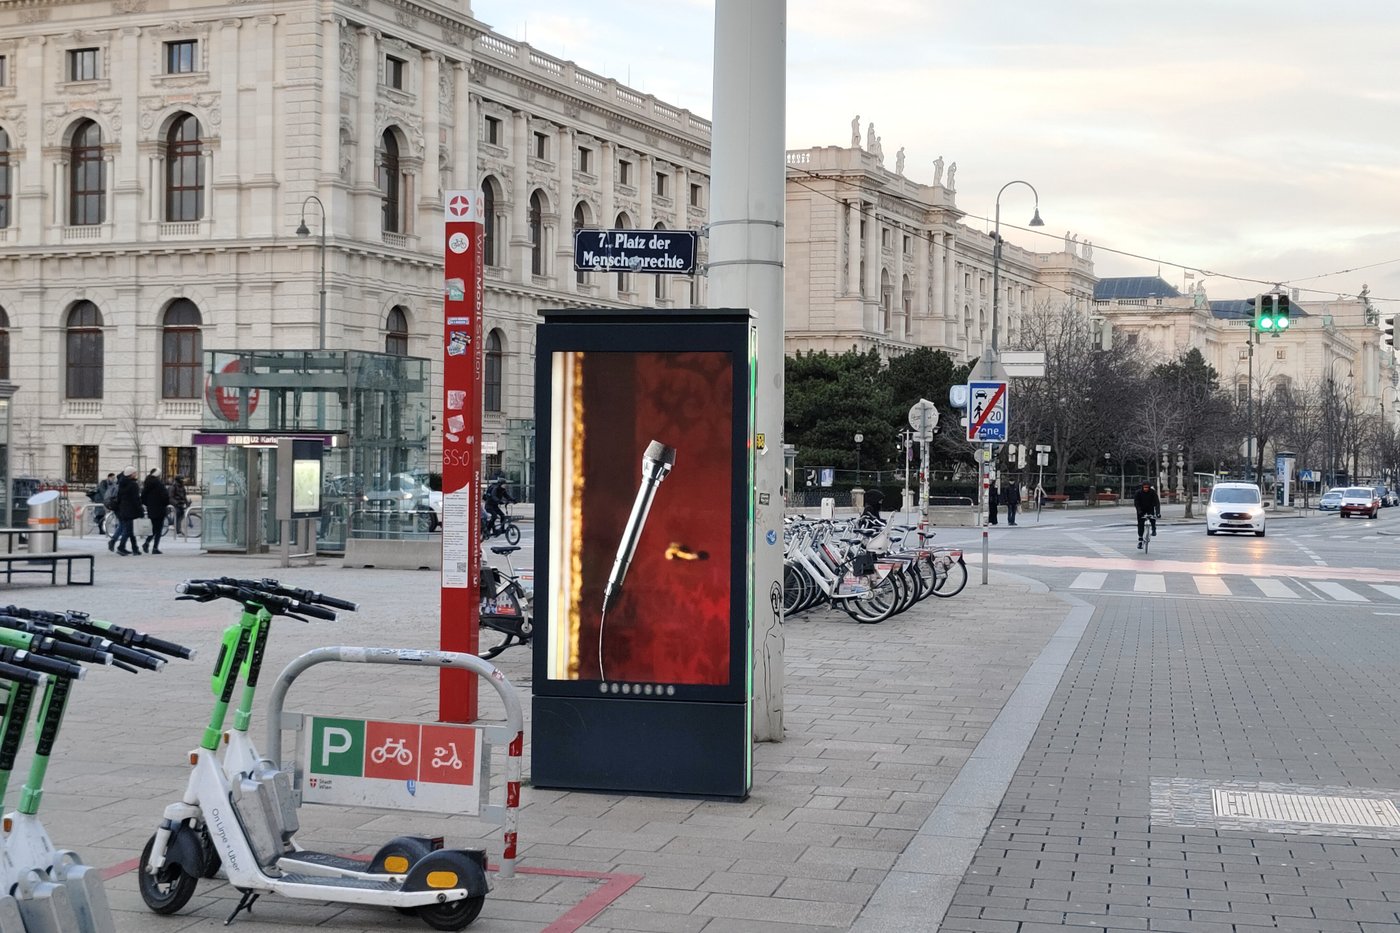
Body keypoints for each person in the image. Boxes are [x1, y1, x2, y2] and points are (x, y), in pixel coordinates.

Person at [112, 467, 143, 556]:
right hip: (131, 510)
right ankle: (121, 547)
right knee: (128, 530)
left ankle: (135, 548)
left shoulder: (121, 484)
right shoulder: (133, 485)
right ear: (131, 474)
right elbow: (136, 499)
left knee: (130, 530)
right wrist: (140, 510)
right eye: (134, 472)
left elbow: (119, 498)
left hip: (123, 509)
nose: (136, 474)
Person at [141, 468, 170, 554]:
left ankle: (147, 543)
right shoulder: (159, 484)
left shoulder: (147, 482)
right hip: (160, 508)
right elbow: (165, 496)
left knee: (154, 527)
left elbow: (143, 496)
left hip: (151, 508)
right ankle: (154, 547)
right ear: (158, 475)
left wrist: (148, 504)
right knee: (158, 529)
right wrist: (166, 503)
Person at [1134, 480, 1161, 549]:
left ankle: (1154, 529)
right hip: (1141, 509)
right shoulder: (1138, 493)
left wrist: (1158, 513)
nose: (1146, 489)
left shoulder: (1153, 492)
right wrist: (1139, 511)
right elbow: (1136, 503)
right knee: (1140, 524)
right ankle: (1140, 540)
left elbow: (1157, 503)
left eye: (1147, 487)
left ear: (1149, 487)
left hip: (1150, 508)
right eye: (1144, 487)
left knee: (1152, 518)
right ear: (1142, 487)